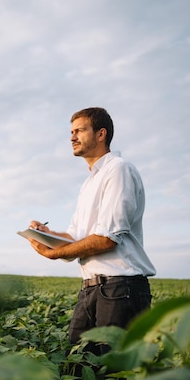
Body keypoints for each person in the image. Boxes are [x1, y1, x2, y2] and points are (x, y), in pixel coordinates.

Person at [26, 107, 155, 355]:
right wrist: (47, 235)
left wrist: (52, 254)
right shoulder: (89, 183)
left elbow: (107, 239)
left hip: (121, 288)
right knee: (77, 366)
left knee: (112, 375)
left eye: (80, 130)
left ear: (100, 134)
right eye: (71, 132)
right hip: (92, 288)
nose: (72, 137)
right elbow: (76, 237)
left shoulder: (118, 169)